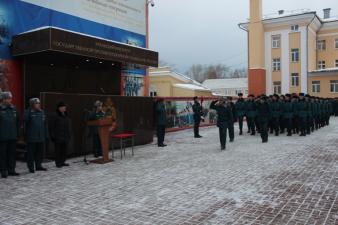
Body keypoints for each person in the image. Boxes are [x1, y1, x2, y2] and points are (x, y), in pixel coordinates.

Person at [24, 98, 49, 173]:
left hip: (40, 136)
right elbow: (24, 122)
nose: (38, 105)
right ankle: (31, 167)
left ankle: (38, 165)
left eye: (38, 103)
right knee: (31, 153)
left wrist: (46, 134)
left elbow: (45, 124)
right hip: (32, 136)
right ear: (32, 104)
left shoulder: (42, 112)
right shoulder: (28, 112)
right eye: (36, 103)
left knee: (39, 152)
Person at [0, 92, 20, 178]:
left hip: (12, 136)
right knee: (3, 155)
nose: (9, 100)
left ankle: (11, 170)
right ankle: (3, 171)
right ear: (3, 99)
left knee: (12, 154)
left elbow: (17, 123)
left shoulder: (14, 109)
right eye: (7, 98)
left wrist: (17, 134)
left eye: (10, 98)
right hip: (2, 137)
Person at [50, 102, 71, 168]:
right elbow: (52, 126)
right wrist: (53, 135)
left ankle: (62, 161)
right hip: (58, 136)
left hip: (65, 136)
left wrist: (69, 134)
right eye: (63, 107)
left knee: (64, 150)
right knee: (58, 151)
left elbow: (68, 126)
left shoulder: (66, 115)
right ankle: (58, 163)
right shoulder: (55, 115)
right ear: (59, 108)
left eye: (65, 107)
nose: (65, 108)